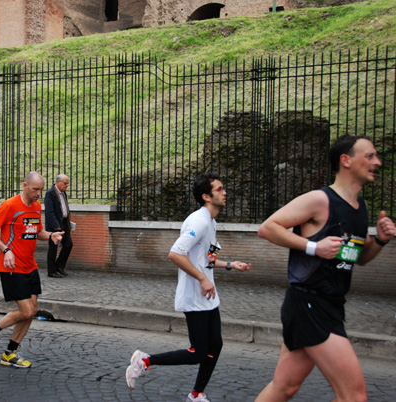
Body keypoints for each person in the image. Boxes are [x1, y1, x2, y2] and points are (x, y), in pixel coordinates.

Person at [255, 135, 395, 402]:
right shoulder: (320, 200)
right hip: (309, 304)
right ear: (346, 160)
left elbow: (360, 257)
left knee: (284, 388)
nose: (377, 161)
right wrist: (313, 247)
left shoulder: (359, 207)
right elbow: (268, 228)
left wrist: (379, 240)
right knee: (354, 396)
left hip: (329, 304)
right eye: (369, 156)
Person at [125, 172, 252, 402]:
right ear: (206, 196)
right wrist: (203, 278)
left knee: (216, 345)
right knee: (198, 352)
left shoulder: (211, 222)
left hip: (208, 296)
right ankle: (144, 361)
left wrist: (231, 264)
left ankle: (196, 394)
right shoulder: (198, 221)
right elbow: (175, 253)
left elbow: (207, 259)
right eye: (219, 189)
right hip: (195, 296)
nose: (225, 192)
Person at [0, 171, 63, 368]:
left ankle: (10, 353)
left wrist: (51, 235)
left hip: (30, 265)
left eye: (41, 190)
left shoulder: (36, 206)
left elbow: (36, 231)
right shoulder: (9, 206)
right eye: (35, 189)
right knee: (26, 310)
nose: (38, 193)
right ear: (25, 185)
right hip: (11, 266)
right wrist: (5, 249)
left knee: (31, 311)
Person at [44, 174, 73, 278]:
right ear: (58, 182)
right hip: (54, 225)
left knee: (68, 244)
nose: (67, 186)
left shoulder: (64, 193)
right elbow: (49, 212)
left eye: (67, 183)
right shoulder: (50, 194)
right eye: (65, 183)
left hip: (64, 223)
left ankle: (59, 266)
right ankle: (51, 271)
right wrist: (56, 226)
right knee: (53, 248)